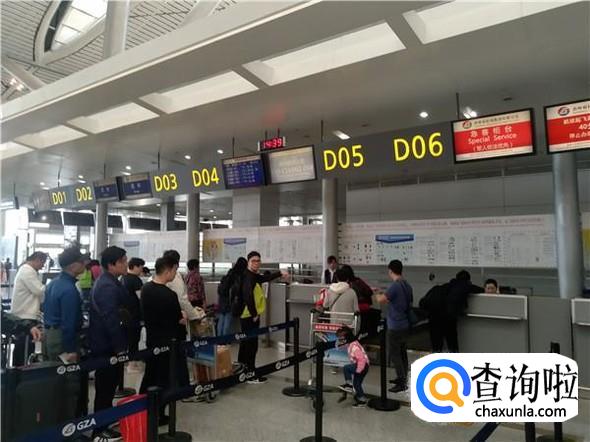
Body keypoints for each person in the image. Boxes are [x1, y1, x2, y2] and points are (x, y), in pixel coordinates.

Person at [140, 255, 189, 425]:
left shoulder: (146, 288)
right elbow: (178, 319)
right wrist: (183, 318)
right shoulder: (169, 294)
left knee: (150, 375)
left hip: (152, 340)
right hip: (168, 343)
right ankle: (159, 413)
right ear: (168, 270)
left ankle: (142, 409)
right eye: (175, 270)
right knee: (164, 379)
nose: (175, 274)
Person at [89, 246, 129, 442]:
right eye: (123, 261)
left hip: (107, 343)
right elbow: (111, 320)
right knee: (105, 387)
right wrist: (120, 348)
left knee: (108, 386)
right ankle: (100, 430)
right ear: (112, 265)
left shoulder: (110, 281)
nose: (126, 264)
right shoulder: (107, 286)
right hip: (106, 345)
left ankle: (104, 420)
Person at [238, 251, 287, 383]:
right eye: (253, 261)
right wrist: (254, 314)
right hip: (249, 316)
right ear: (248, 262)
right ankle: (250, 374)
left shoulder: (252, 275)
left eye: (258, 261)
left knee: (246, 343)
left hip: (248, 315)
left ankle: (243, 370)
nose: (256, 263)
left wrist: (279, 273)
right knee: (251, 345)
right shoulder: (248, 277)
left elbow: (265, 278)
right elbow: (248, 296)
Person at [42, 247, 88, 362]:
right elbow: (68, 323)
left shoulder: (53, 283)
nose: (85, 264)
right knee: (66, 372)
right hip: (61, 339)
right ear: (73, 266)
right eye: (82, 261)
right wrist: (71, 349)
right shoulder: (69, 289)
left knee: (52, 369)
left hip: (50, 335)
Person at [375, 259, 413, 393]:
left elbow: (381, 300)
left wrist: (376, 292)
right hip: (405, 323)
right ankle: (403, 377)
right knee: (402, 352)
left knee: (395, 354)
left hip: (395, 325)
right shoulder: (407, 285)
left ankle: (402, 382)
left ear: (390, 271)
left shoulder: (395, 286)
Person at [10, 251, 47, 365]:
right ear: (37, 260)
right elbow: (39, 290)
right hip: (25, 316)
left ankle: (19, 370)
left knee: (24, 348)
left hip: (23, 314)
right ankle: (20, 371)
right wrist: (52, 286)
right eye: (42, 263)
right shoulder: (27, 271)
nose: (43, 266)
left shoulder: (26, 270)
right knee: (24, 349)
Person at [121, 257, 145, 375]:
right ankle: (132, 364)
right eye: (140, 267)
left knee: (127, 338)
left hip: (125, 314)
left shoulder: (123, 278)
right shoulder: (135, 280)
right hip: (135, 314)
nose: (141, 270)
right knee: (134, 339)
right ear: (135, 266)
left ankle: (126, 361)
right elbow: (142, 298)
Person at [162, 250, 202, 322]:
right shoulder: (175, 276)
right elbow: (182, 300)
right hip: (173, 316)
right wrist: (194, 315)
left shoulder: (153, 278)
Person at [337, 325, 369, 407]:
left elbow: (362, 359)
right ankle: (362, 400)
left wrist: (358, 370)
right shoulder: (351, 344)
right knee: (357, 384)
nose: (340, 340)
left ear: (346, 337)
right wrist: (338, 346)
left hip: (362, 366)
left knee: (346, 368)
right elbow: (344, 347)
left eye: (341, 338)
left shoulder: (354, 346)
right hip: (363, 366)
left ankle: (348, 385)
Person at [217, 257, 247, 336]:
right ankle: (224, 341)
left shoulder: (229, 273)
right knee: (227, 324)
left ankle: (218, 340)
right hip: (230, 302)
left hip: (222, 301)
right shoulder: (239, 276)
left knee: (221, 322)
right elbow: (238, 290)